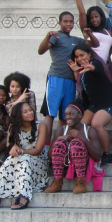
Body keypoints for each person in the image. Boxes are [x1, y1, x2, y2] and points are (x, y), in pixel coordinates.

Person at [0, 102, 48, 209]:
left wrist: (21, 152)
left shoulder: (41, 126)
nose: (30, 113)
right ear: (19, 115)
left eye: (30, 110)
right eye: (25, 112)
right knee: (9, 160)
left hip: (38, 163)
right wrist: (14, 149)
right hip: (21, 161)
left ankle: (24, 196)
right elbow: (12, 148)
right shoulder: (13, 128)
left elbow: (37, 151)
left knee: (24, 158)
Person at [38, 11, 85, 141]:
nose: (68, 24)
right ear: (60, 23)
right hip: (55, 78)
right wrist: (48, 37)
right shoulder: (56, 36)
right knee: (50, 114)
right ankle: (46, 144)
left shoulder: (76, 40)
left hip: (70, 81)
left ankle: (58, 143)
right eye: (65, 21)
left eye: (71, 21)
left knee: (65, 116)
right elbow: (41, 51)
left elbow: (93, 44)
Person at [69, 43, 112, 166]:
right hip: (94, 105)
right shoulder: (82, 71)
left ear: (90, 54)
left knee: (96, 124)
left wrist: (90, 68)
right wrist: (77, 72)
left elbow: (95, 68)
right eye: (77, 57)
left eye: (82, 55)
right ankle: (81, 152)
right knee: (80, 126)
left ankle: (107, 154)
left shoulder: (96, 63)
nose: (80, 59)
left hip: (108, 102)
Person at [44, 103, 102, 194]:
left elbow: (98, 156)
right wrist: (60, 139)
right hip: (65, 166)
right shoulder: (61, 130)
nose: (67, 117)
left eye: (71, 114)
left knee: (76, 143)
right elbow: (50, 156)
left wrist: (82, 139)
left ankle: (81, 182)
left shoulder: (90, 130)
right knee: (60, 143)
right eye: (66, 114)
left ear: (80, 115)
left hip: (84, 167)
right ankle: (57, 182)